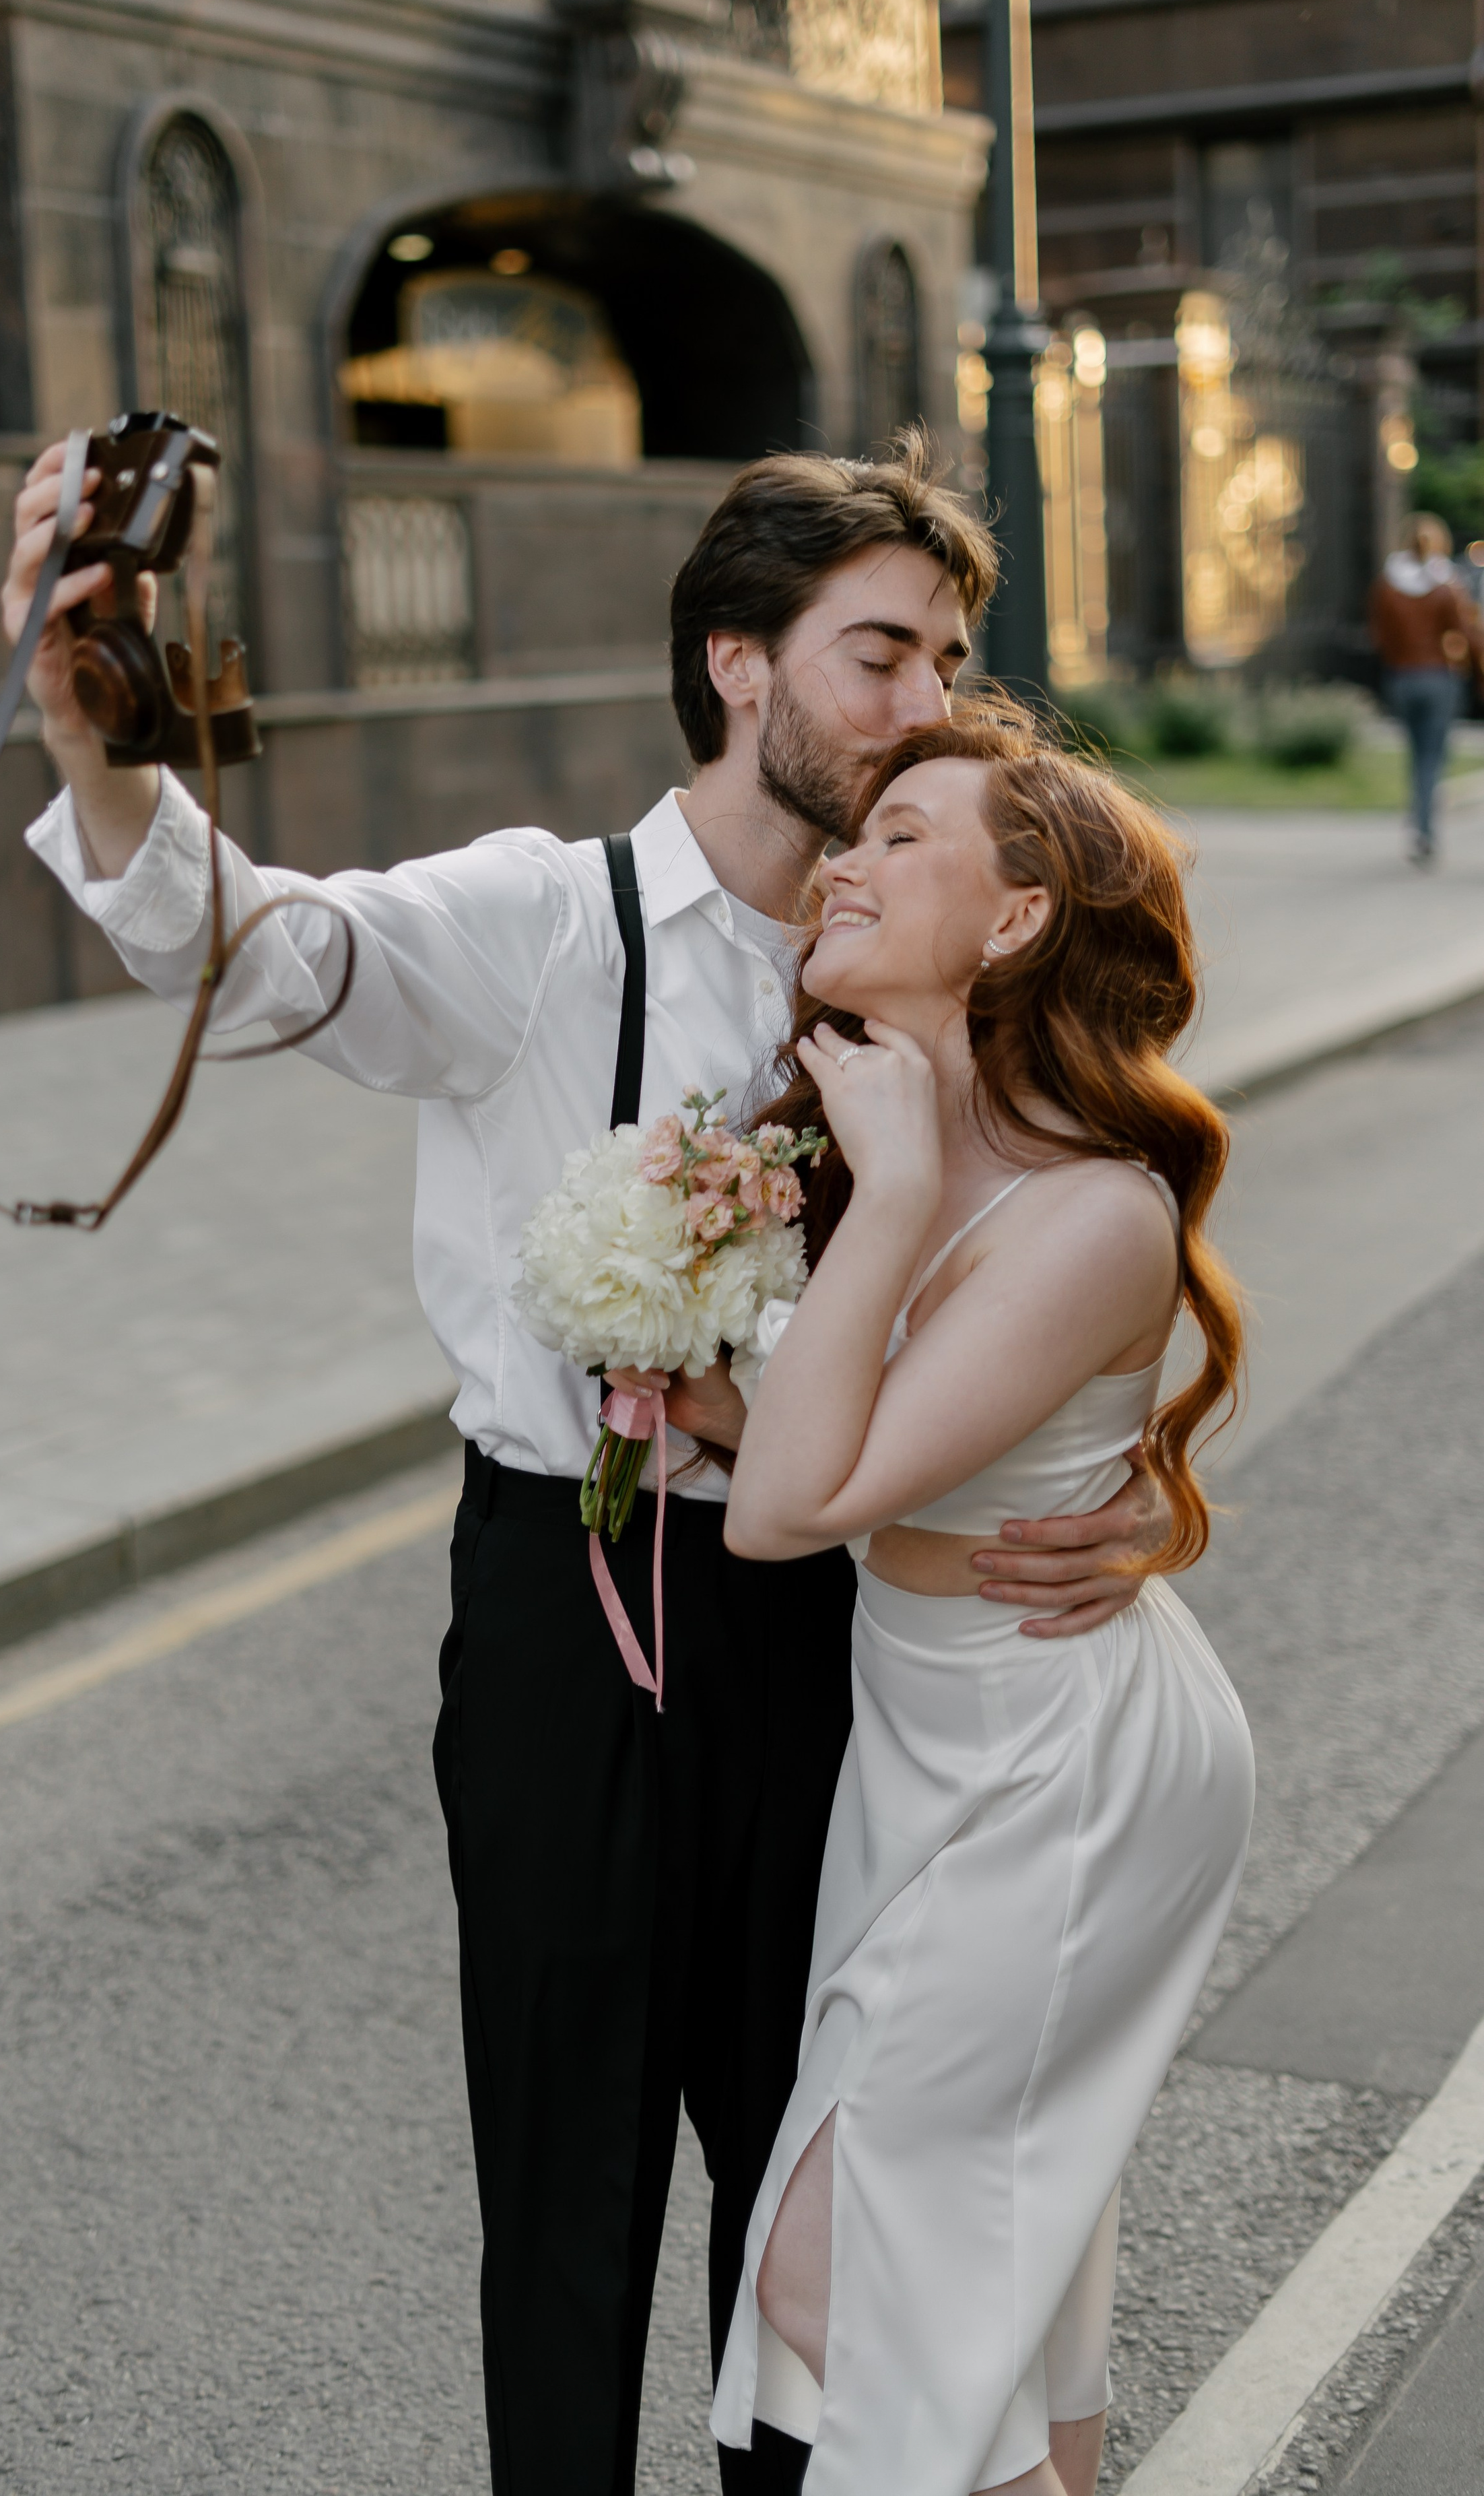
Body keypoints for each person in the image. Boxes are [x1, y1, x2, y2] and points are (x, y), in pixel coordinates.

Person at [0, 434, 1170, 2496]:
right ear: (736, 656)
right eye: (879, 652)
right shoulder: (535, 921)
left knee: (816, 2177)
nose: (931, 701)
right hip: (564, 1601)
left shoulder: (936, 950)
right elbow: (257, 945)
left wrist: (1143, 1492)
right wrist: (102, 750)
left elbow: (1079, 1252)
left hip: (835, 1628)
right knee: (565, 2198)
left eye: (953, 658)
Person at [663, 718, 1255, 2496]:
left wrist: (900, 1187)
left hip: (1060, 1763)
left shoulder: (1087, 1211)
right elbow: (836, 1438)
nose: (841, 859)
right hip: (921, 1739)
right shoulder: (868, 1131)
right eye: (852, 831)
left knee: (845, 2278)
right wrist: (669, 1360)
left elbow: (785, 1513)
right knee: (1008, 2299)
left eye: (902, 834)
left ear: (1012, 922)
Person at [1368, 511, 1484, 863]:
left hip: (1402, 679)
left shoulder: (1387, 585)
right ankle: (1424, 829)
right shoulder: (1447, 584)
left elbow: (1379, 636)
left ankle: (1418, 820)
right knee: (1434, 756)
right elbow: (1467, 634)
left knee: (1418, 753)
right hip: (1438, 678)